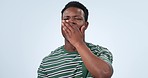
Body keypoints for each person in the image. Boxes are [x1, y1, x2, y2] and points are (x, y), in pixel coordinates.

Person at [38, 1, 113, 78]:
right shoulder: (47, 62)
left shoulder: (100, 51)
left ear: (85, 25)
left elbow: (104, 74)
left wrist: (78, 43)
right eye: (66, 18)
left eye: (77, 18)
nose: (71, 22)